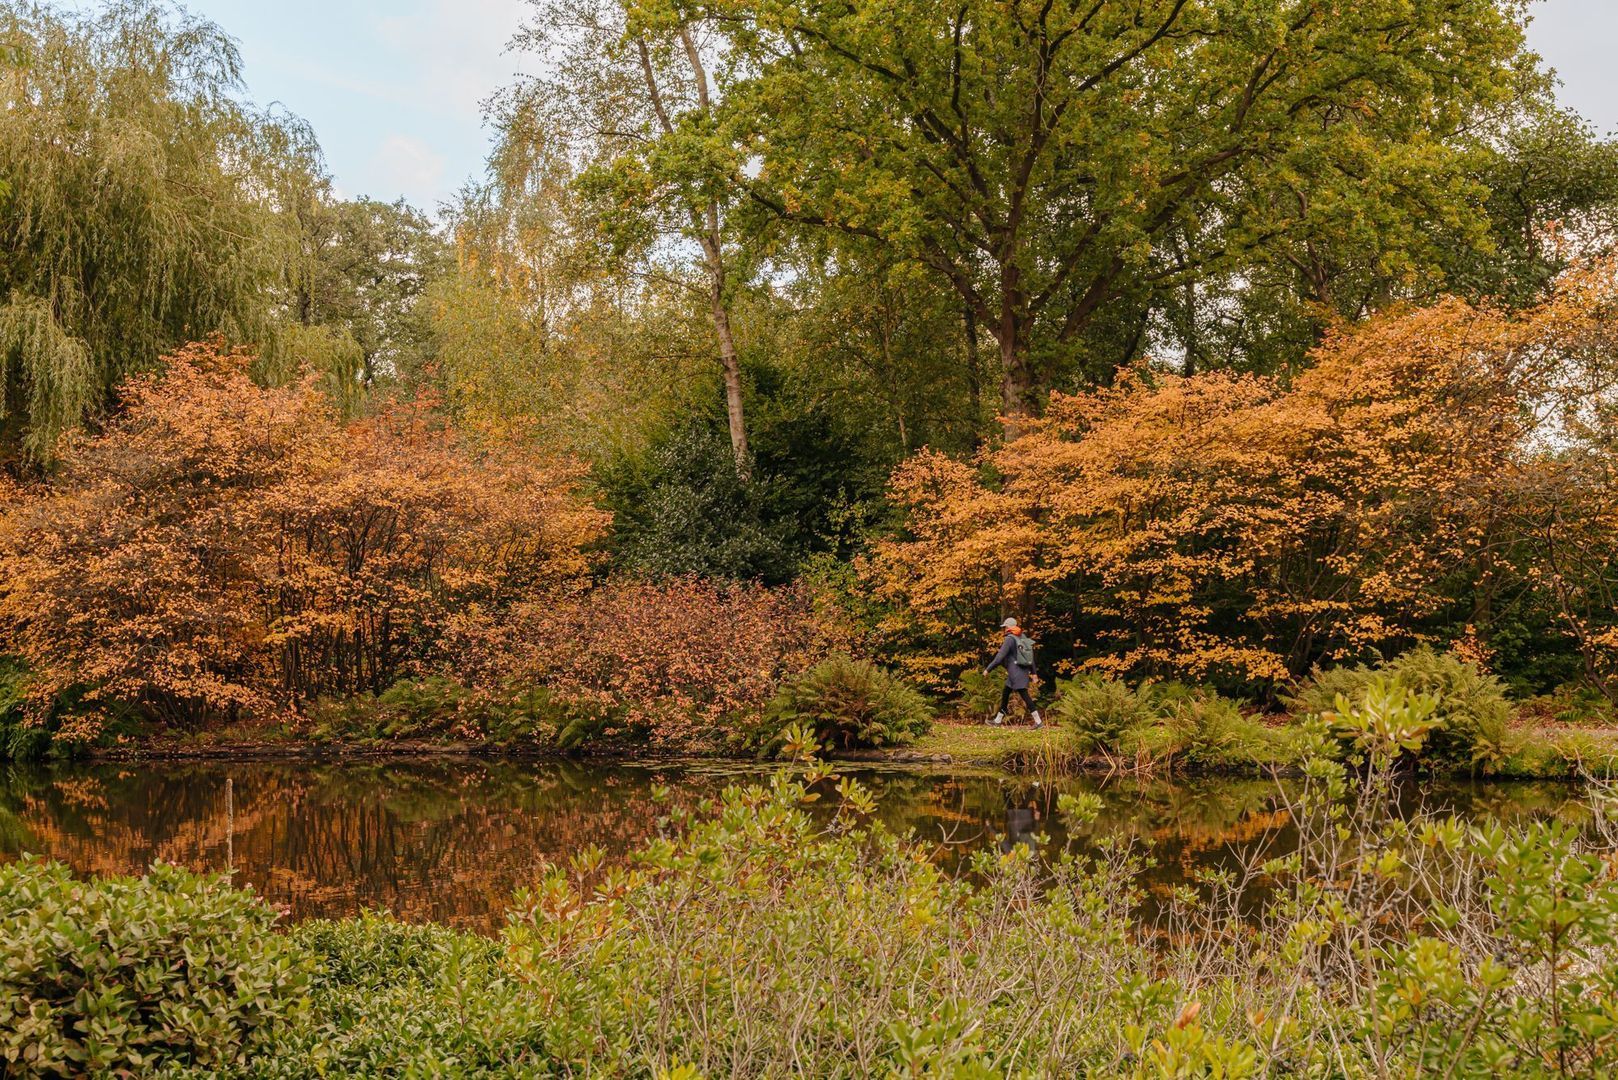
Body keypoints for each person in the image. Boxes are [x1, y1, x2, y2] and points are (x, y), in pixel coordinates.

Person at [983, 616, 1042, 727]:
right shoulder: (1023, 637)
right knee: (1005, 693)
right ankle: (997, 721)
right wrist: (1034, 673)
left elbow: (1000, 657)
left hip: (1016, 673)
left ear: (1009, 627)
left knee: (1025, 696)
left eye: (1005, 627)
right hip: (1021, 671)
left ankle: (1038, 722)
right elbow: (1030, 657)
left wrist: (988, 669)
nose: (1004, 629)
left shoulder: (1010, 639)